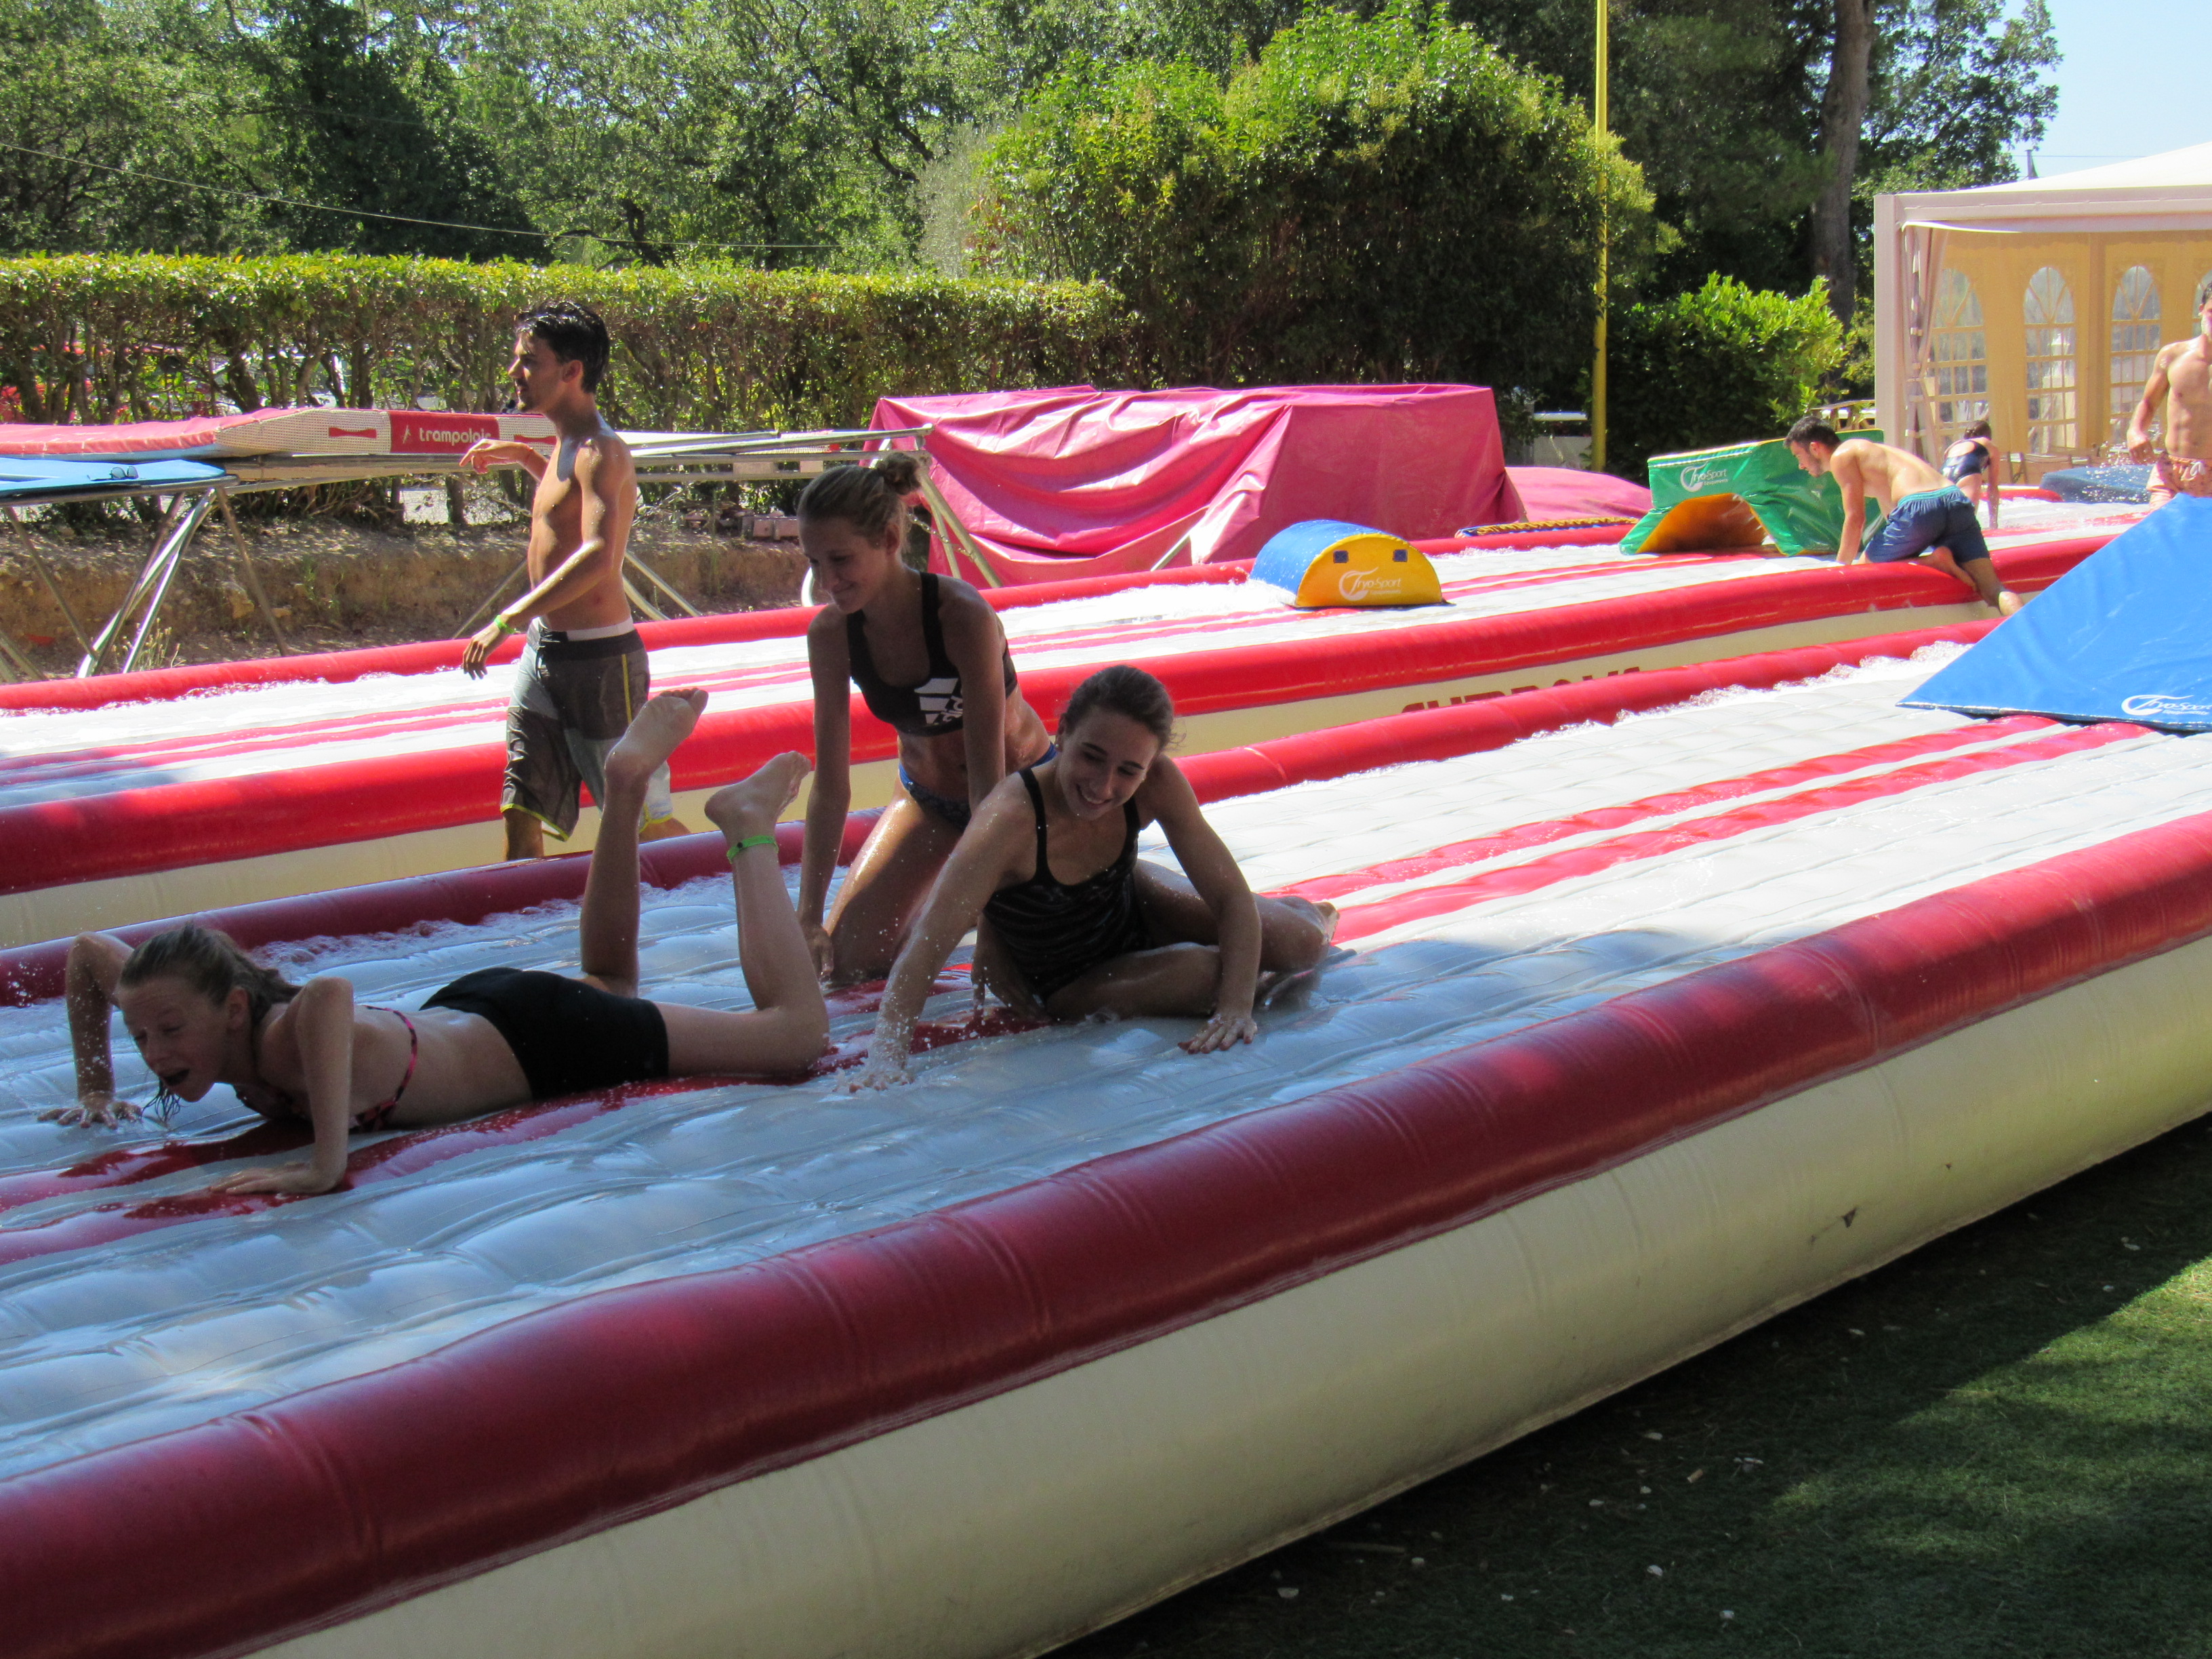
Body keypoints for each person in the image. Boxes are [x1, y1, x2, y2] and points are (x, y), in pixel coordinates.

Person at [43, 691, 826, 1197]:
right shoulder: (204, 1006)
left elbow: (329, 995)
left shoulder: (279, 1037)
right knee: (608, 980)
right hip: (482, 1015)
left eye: (169, 1030)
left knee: (795, 1037)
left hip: (539, 1039)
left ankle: (748, 825)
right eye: (141, 1036)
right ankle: (623, 785)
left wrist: (325, 1163)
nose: (155, 1052)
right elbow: (87, 955)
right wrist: (95, 1087)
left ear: (235, 1009)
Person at [852, 665, 1337, 1090]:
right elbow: (928, 945)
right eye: (1091, 756)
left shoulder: (1158, 783)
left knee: (1299, 945)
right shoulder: (1011, 817)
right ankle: (1233, 948)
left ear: (1150, 765)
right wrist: (885, 1058)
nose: (1103, 786)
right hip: (1072, 979)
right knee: (1211, 973)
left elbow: (1230, 897)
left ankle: (1302, 914)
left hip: (1132, 903)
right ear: (1063, 733)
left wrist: (1236, 1010)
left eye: (1128, 770)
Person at [797, 451, 1054, 986]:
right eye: (815, 562)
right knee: (846, 967)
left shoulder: (961, 616)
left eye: (840, 560)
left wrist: (990, 923)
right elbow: (830, 788)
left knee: (1034, 963)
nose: (827, 582)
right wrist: (808, 916)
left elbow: (988, 789)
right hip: (927, 800)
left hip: (1017, 799)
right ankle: (932, 912)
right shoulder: (831, 635)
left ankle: (948, 915)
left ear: (890, 540)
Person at [457, 300, 689, 860]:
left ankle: (730, 874)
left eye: (529, 361)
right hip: (545, 653)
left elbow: (598, 556)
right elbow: (567, 505)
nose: (515, 372)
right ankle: (528, 913)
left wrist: (508, 619)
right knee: (522, 805)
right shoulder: (564, 442)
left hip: (600, 661)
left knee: (643, 825)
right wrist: (525, 457)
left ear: (571, 371)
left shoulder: (601, 451)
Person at [1785, 417, 2024, 617]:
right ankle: (2033, 636)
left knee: (1863, 571)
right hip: (1954, 499)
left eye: (1798, 456)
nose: (1800, 466)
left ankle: (1934, 562)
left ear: (1815, 448)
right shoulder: (1872, 452)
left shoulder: (1841, 456)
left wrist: (1839, 571)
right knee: (1994, 589)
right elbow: (1890, 512)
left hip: (1919, 505)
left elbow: (1855, 518)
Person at [2123, 274, 2212, 506]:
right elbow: (2148, 402)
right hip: (2173, 470)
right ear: (2201, 310)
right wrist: (2135, 431)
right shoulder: (2173, 356)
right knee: (2160, 525)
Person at [1940, 418, 2003, 526]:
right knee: (1967, 526)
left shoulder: (1955, 445)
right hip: (1967, 473)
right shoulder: (1988, 443)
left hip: (1944, 475)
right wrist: (1994, 523)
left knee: (1945, 525)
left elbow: (1946, 458)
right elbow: (1993, 487)